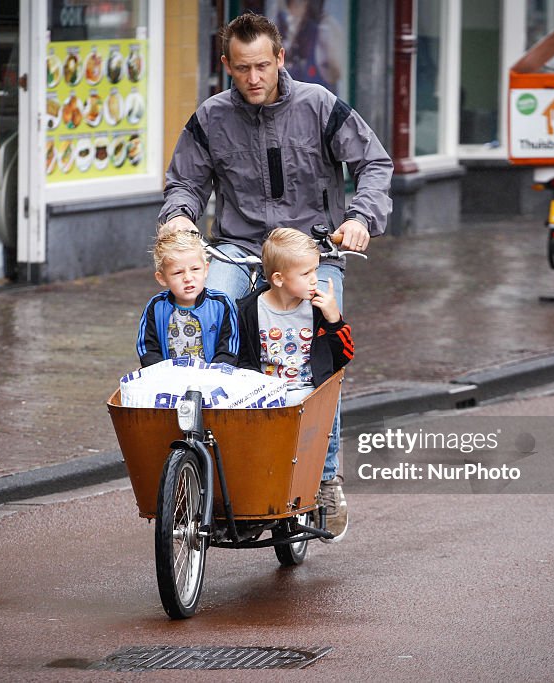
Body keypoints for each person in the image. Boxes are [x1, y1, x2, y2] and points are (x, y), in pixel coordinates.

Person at [158, 11, 392, 539]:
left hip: (315, 251)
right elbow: (185, 184)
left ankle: (326, 479)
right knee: (205, 308)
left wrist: (360, 218)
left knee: (317, 355)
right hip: (240, 251)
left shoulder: (319, 106)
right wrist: (178, 215)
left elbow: (374, 164)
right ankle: (202, 461)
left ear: (281, 58)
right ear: (226, 66)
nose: (255, 78)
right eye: (242, 69)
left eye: (263, 65)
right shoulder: (210, 118)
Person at [236, 228, 353, 541]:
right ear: (278, 279)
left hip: (306, 392)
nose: (314, 279)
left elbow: (343, 358)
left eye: (315, 270)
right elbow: (243, 358)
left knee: (315, 426)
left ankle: (325, 484)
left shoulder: (316, 309)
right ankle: (253, 507)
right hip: (266, 393)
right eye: (306, 273)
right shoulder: (249, 309)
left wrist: (333, 320)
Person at [136, 229, 239, 367]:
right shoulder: (156, 307)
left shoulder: (221, 303)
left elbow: (229, 346)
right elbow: (147, 348)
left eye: (195, 269)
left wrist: (214, 374)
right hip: (169, 382)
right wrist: (162, 374)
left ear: (206, 270)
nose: (188, 278)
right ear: (162, 278)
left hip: (212, 379)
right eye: (178, 272)